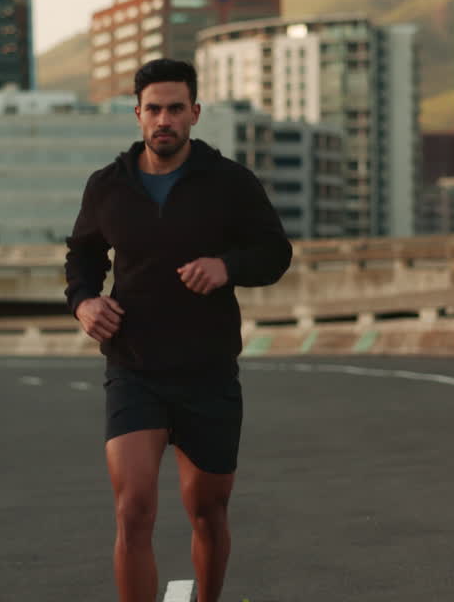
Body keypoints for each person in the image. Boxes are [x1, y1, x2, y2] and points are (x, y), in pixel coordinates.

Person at [64, 58, 292, 602]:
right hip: (134, 367)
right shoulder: (107, 186)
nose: (163, 119)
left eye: (174, 108)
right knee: (133, 509)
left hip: (207, 371)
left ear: (194, 112)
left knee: (208, 510)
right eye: (153, 109)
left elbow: (274, 253)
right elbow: (84, 257)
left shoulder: (230, 182)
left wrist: (227, 267)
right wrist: (84, 304)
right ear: (137, 115)